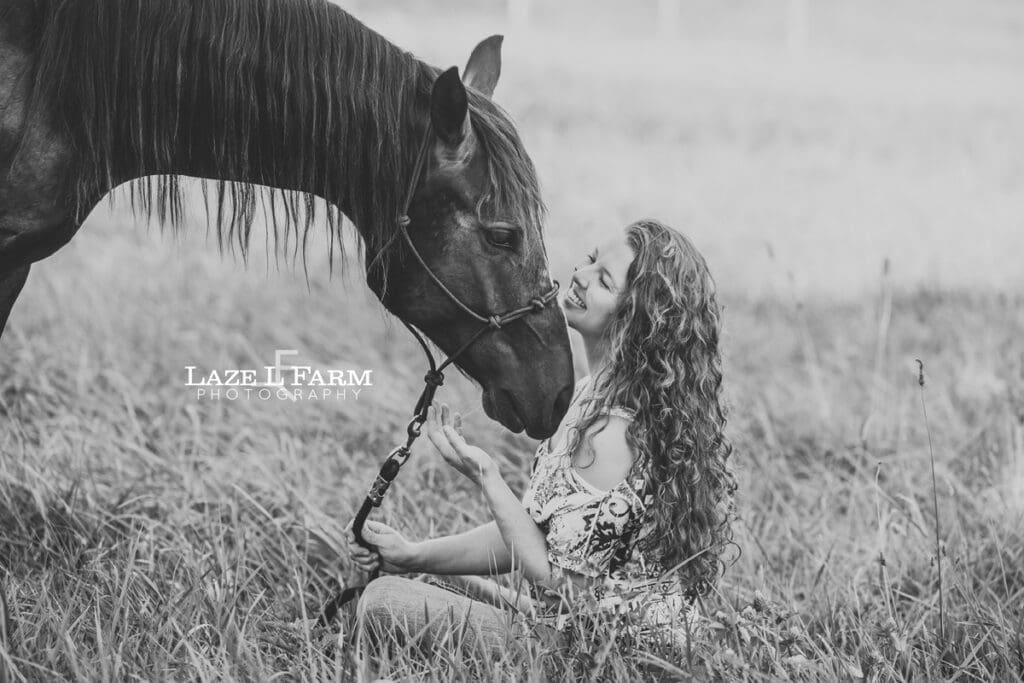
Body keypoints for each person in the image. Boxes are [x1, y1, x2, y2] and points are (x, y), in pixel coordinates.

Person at [345, 218, 737, 658]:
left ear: (636, 320)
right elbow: (532, 535)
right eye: (590, 260)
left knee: (384, 602)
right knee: (416, 577)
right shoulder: (592, 395)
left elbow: (562, 584)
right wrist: (412, 554)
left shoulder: (613, 435)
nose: (579, 276)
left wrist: (487, 475)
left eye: (603, 280)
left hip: (601, 653)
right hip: (572, 623)